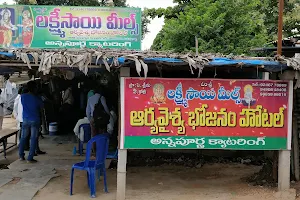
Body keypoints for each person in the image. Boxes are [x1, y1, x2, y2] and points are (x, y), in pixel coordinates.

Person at [19, 81, 43, 163]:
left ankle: (21, 156)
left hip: (25, 119)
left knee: (23, 138)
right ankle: (30, 158)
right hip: (35, 120)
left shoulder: (23, 96)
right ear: (35, 88)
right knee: (33, 138)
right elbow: (41, 107)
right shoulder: (37, 98)